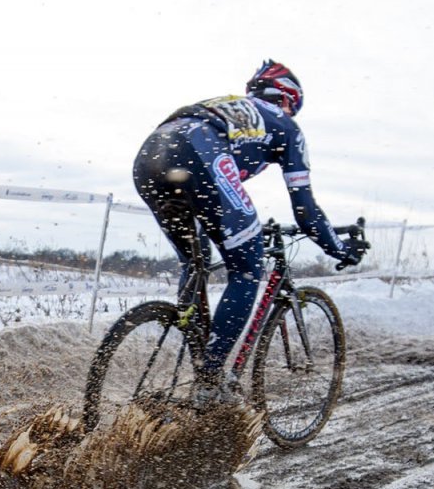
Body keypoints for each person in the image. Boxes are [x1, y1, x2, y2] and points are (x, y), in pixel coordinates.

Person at [131, 59, 367, 399]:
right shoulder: (286, 126)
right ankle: (210, 378)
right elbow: (305, 208)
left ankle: (195, 344)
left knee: (194, 262)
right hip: (199, 151)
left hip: (150, 155)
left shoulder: (229, 106)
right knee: (246, 268)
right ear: (287, 100)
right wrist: (338, 248)